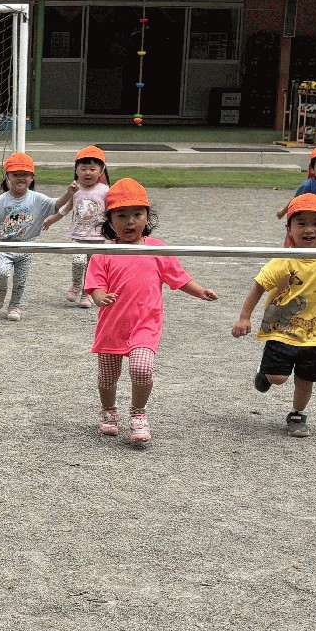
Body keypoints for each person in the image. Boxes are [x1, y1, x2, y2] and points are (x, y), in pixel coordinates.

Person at [82, 178, 217, 447]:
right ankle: (108, 410)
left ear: (147, 217)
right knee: (107, 377)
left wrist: (200, 291)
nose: (130, 222)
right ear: (110, 220)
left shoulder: (157, 248)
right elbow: (95, 285)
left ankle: (138, 413)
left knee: (142, 368)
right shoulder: (104, 253)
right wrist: (100, 298)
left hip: (145, 324)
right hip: (112, 326)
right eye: (121, 215)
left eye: (137, 214)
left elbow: (178, 277)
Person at [233, 194, 316, 438]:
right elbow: (259, 286)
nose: (309, 229)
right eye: (301, 224)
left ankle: (297, 414)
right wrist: (244, 317)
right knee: (278, 377)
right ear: (289, 228)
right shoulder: (284, 259)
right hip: (282, 327)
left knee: (305, 378)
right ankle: (265, 372)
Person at [0, 151, 63, 321]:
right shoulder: (3, 199)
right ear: (7, 177)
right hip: (5, 246)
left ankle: (15, 306)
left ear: (32, 177)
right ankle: (2, 289)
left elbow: (56, 205)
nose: (20, 178)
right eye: (15, 174)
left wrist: (70, 193)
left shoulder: (37, 199)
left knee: (20, 281)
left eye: (25, 174)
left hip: (27, 245)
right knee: (1, 272)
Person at [52, 145, 110, 307]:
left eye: (92, 169)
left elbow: (113, 212)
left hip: (97, 237)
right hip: (79, 236)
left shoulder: (105, 191)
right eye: (83, 169)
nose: (87, 173)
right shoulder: (75, 190)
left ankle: (87, 293)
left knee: (92, 268)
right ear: (76, 171)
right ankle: (76, 284)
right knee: (78, 262)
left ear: (101, 171)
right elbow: (65, 209)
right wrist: (50, 220)